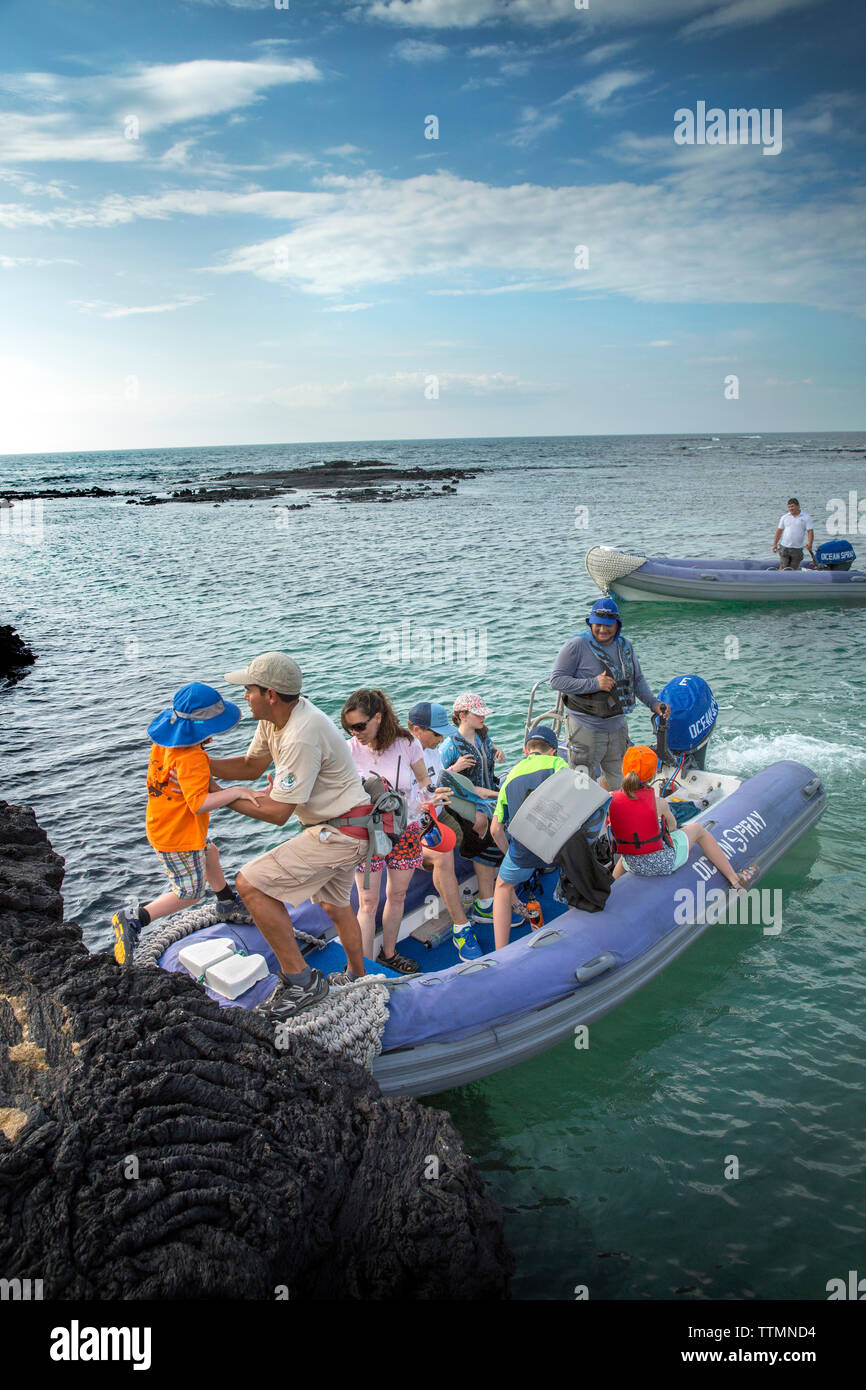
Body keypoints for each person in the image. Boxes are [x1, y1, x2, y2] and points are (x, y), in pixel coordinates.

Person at [212, 652, 373, 1018]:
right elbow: (252, 766)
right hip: (344, 825)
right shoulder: (276, 718)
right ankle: (357, 975)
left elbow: (277, 813)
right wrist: (198, 765)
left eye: (248, 690)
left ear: (269, 693)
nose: (244, 696)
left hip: (341, 833)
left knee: (250, 885)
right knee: (334, 905)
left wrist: (216, 796)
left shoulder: (302, 734)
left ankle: (301, 982)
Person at [111, 682, 262, 967]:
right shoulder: (192, 758)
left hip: (162, 824)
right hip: (178, 835)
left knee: (209, 852)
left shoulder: (166, 745)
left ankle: (226, 901)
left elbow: (199, 784)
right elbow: (198, 803)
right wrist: (240, 792)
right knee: (189, 892)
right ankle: (136, 918)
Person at [340, 688, 433, 975]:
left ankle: (389, 954)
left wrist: (427, 803)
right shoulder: (348, 749)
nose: (355, 733)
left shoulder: (406, 743)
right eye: (349, 727)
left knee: (397, 895)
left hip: (404, 828)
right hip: (366, 833)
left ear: (378, 718)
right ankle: (363, 968)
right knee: (367, 902)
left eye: (359, 726)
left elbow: (423, 781)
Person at [549, 597, 670, 791]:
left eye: (608, 625)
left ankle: (616, 816)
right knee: (582, 784)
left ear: (617, 624)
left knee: (621, 780)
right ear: (590, 623)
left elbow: (637, 680)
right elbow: (556, 680)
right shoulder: (576, 646)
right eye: (598, 625)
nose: (603, 630)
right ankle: (587, 819)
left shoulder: (625, 646)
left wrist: (654, 704)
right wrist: (594, 683)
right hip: (585, 728)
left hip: (617, 727)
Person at [608, 745, 755, 887]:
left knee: (623, 859)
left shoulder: (610, 800)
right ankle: (735, 879)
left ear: (624, 770)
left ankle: (611, 888)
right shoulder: (659, 803)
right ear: (652, 776)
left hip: (633, 864)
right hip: (664, 863)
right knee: (698, 829)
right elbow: (672, 828)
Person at [407, 699, 482, 962]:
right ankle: (461, 928)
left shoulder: (431, 751)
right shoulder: (401, 757)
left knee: (483, 826)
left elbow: (443, 783)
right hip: (413, 825)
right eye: (436, 733)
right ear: (417, 730)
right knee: (443, 856)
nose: (441, 739)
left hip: (439, 815)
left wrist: (485, 799)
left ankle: (487, 900)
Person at [440, 692, 520, 932]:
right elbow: (438, 779)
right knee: (485, 831)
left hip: (488, 795)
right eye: (478, 713)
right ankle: (491, 901)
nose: (483, 716)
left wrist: (496, 751)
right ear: (462, 716)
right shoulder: (450, 745)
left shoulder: (483, 735)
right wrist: (455, 767)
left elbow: (486, 749)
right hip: (469, 802)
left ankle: (491, 899)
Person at [489, 726, 569, 950]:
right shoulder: (558, 765)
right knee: (572, 872)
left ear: (526, 750)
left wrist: (511, 854)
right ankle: (578, 928)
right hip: (557, 848)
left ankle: (500, 952)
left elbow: (496, 829)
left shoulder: (510, 778)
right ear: (553, 750)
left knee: (503, 888)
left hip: (523, 851)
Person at [772, 498, 814, 571]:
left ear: (798, 506)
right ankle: (779, 580)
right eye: (789, 507)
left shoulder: (806, 517)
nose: (790, 508)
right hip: (784, 547)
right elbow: (779, 531)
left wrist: (810, 544)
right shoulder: (784, 517)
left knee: (794, 568)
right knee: (783, 566)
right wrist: (775, 544)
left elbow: (810, 531)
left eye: (792, 506)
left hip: (797, 548)